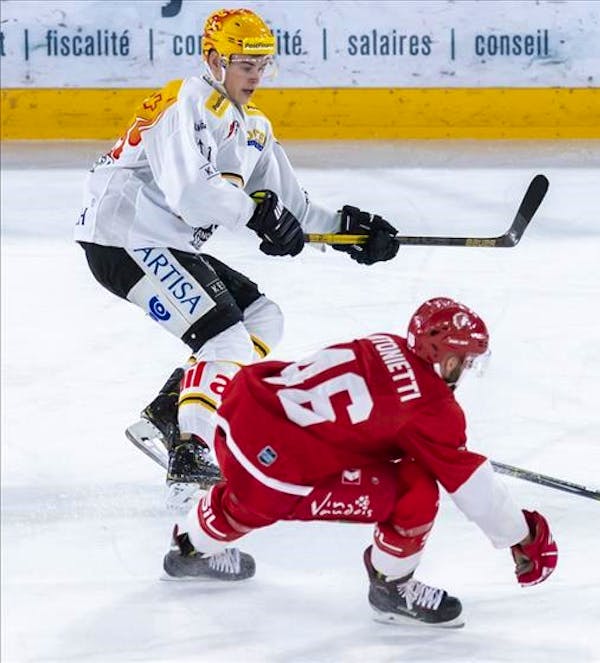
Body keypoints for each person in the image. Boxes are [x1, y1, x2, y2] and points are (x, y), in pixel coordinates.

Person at [73, 8, 400, 506]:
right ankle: (191, 453)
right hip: (123, 239)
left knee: (262, 318)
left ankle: (171, 412)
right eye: (245, 64)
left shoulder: (252, 127)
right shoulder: (185, 104)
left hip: (163, 242)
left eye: (262, 65)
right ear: (213, 60)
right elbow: (192, 194)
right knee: (223, 336)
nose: (255, 76)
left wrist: (350, 232)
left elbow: (293, 207)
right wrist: (257, 216)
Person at [161, 297, 558, 627]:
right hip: (272, 472)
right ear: (446, 358)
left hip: (238, 413)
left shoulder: (386, 343)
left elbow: (365, 415)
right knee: (416, 487)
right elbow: (474, 487)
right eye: (464, 359)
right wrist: (521, 535)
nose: (466, 368)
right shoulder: (435, 409)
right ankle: (392, 588)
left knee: (246, 496)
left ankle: (189, 550)